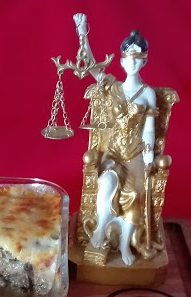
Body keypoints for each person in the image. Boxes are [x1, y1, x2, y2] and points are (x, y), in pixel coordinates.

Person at [73, 13, 158, 265]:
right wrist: (82, 33)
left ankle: (123, 245)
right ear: (121, 61)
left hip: (135, 153)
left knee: (135, 195)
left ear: (144, 61)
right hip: (113, 153)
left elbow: (149, 128)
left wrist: (149, 153)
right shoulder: (112, 86)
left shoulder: (148, 93)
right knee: (107, 182)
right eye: (128, 58)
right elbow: (91, 66)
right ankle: (100, 228)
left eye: (137, 59)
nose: (132, 63)